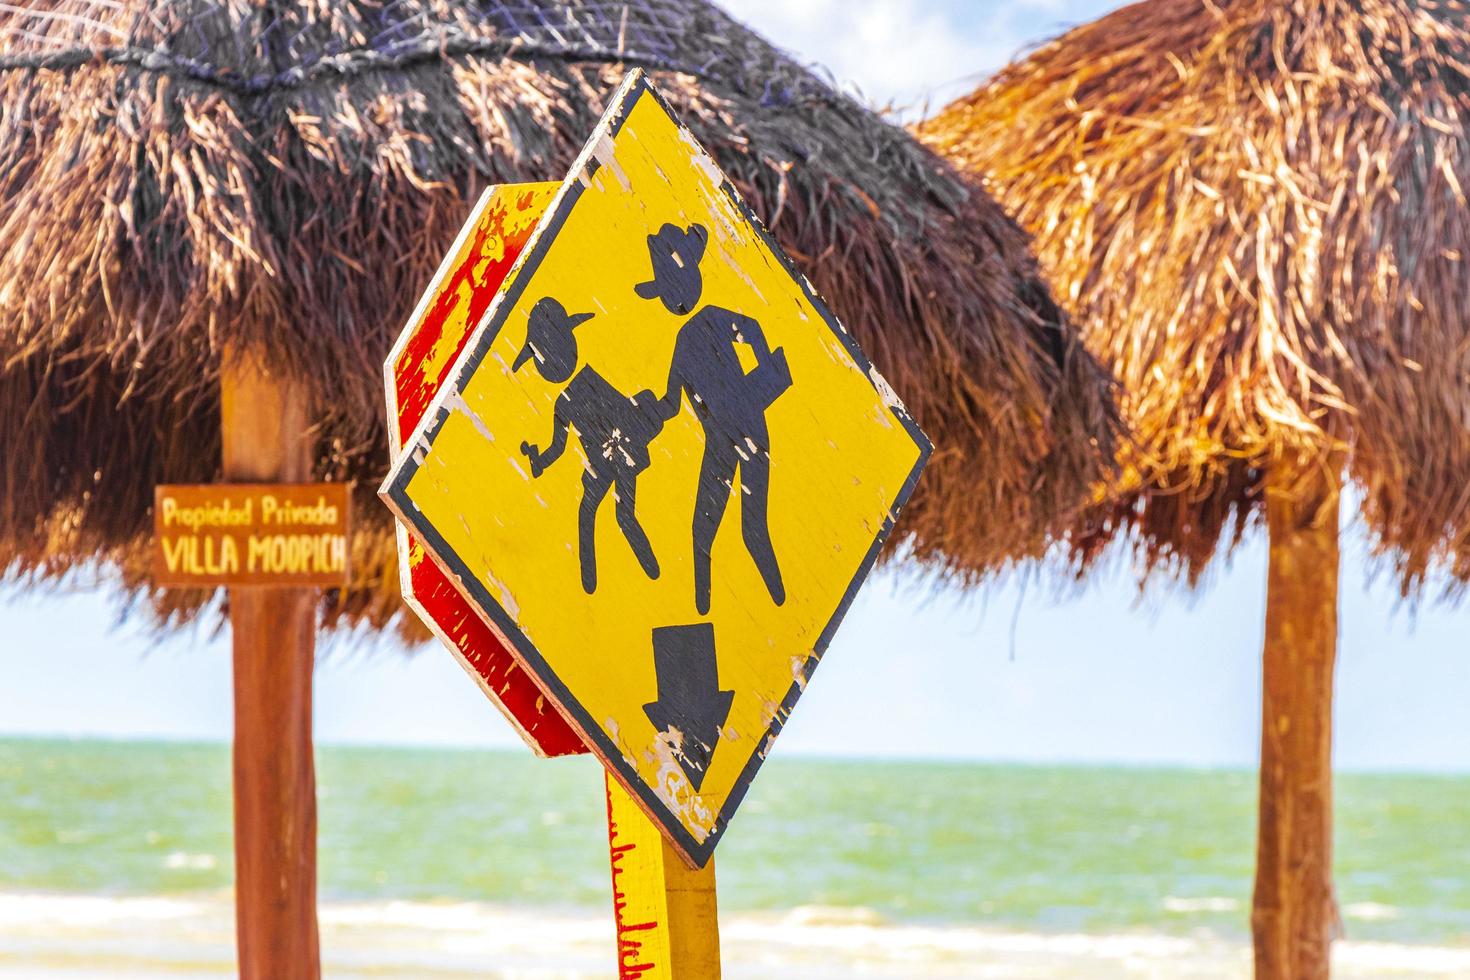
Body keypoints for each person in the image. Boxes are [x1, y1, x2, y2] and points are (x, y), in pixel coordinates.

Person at [636, 222, 791, 616]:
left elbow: (752, 328)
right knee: (703, 531)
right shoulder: (683, 342)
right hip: (723, 438)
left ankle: (782, 607)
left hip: (747, 426)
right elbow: (671, 404)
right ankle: (703, 608)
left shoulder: (709, 320)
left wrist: (757, 381)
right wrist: (646, 410)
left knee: (751, 527)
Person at [516, 296, 664, 594]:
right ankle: (593, 586)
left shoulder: (578, 390)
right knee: (602, 513)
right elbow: (558, 448)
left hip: (616, 452)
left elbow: (622, 407)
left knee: (610, 514)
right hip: (613, 455)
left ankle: (650, 577)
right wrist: (538, 461)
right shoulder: (578, 389)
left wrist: (540, 461)